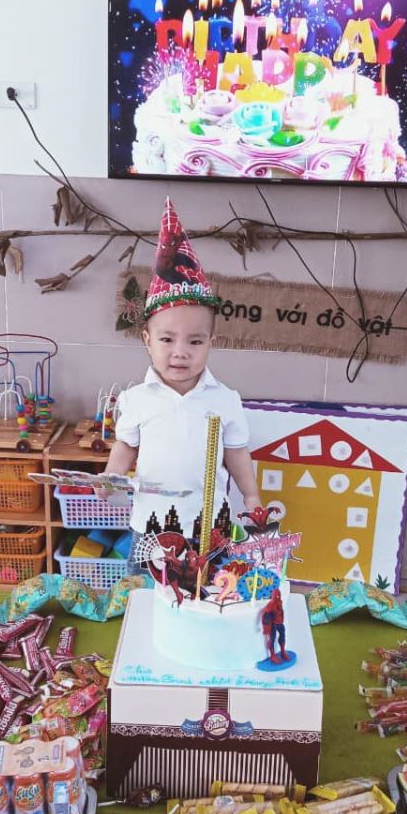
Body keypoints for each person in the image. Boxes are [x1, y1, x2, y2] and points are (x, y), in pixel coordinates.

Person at [105, 198, 262, 569]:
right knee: (146, 590)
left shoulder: (225, 399)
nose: (180, 352)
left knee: (210, 590)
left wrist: (251, 496)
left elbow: (236, 453)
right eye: (166, 339)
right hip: (151, 526)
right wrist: (111, 478)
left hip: (210, 526)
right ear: (147, 340)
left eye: (195, 341)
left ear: (210, 342)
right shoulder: (135, 398)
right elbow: (126, 445)